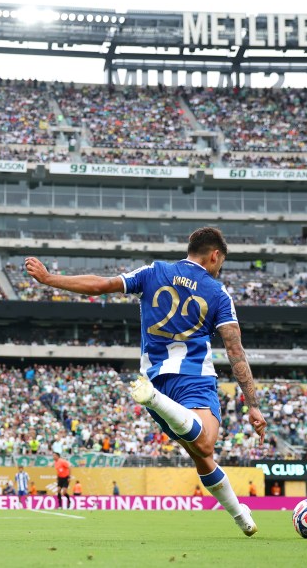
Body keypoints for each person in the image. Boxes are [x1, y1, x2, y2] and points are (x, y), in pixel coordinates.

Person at [26, 226, 266, 537]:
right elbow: (235, 351)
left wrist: (50, 279)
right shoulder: (218, 293)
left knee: (201, 456)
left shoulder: (155, 271)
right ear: (214, 255)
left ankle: (239, 514)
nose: (220, 268)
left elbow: (102, 285)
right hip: (193, 377)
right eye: (221, 263)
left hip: (154, 378)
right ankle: (152, 399)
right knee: (206, 442)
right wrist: (254, 405)